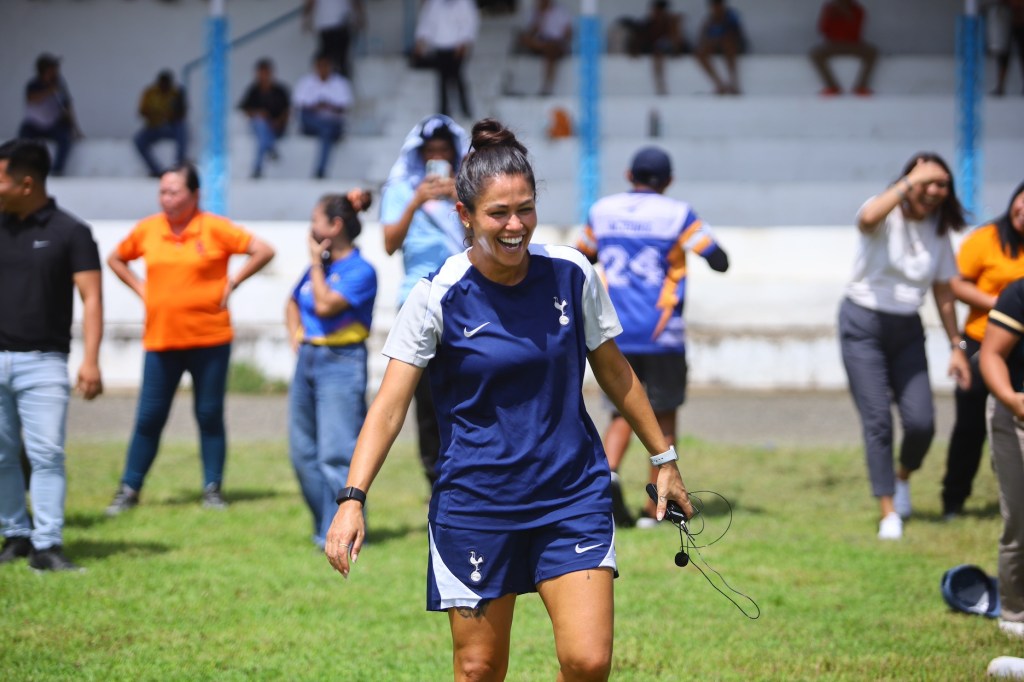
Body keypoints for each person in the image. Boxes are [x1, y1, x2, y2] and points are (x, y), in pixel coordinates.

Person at [324, 119, 694, 680]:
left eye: (526, 209)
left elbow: (617, 373)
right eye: (499, 213)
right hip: (476, 504)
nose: (516, 225)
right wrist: (353, 498)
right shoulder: (436, 294)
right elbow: (390, 406)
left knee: (588, 661)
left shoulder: (572, 274)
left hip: (570, 496)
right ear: (465, 215)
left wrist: (663, 459)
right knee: (478, 669)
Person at [104, 163, 275, 516]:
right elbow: (116, 258)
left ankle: (213, 488)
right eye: (162, 192)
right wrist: (141, 289)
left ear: (194, 195)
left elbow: (263, 250)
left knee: (209, 415)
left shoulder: (214, 228)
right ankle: (129, 488)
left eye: (174, 192)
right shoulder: (149, 229)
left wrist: (234, 281)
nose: (166, 198)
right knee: (149, 417)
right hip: (161, 340)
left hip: (210, 340)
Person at [577, 146, 728, 528]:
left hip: (614, 331)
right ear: (669, 181)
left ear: (629, 175)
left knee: (622, 411)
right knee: (663, 415)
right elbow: (718, 259)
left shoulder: (603, 211)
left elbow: (582, 256)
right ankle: (653, 508)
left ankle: (608, 476)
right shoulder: (677, 214)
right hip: (663, 333)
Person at [838, 152, 970, 541]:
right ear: (907, 182)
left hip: (907, 329)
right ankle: (888, 511)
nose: (933, 190)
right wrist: (910, 181)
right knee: (878, 421)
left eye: (941, 184)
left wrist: (957, 345)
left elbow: (943, 292)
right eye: (925, 181)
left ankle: (902, 477)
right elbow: (866, 219)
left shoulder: (939, 230)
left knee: (922, 423)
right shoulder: (883, 212)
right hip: (862, 324)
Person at [0, 139, 103, 571]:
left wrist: (91, 360)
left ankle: (47, 545)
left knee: (47, 456)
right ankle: (15, 536)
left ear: (26, 183)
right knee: (2, 456)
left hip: (43, 362)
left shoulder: (71, 232)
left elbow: (92, 298)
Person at [380, 114, 470, 489]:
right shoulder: (400, 188)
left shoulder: (467, 189)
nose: (436, 157)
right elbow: (390, 243)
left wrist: (458, 199)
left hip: (463, 293)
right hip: (416, 296)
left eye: (443, 151)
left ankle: (466, 468)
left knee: (467, 384)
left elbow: (480, 240)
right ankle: (435, 475)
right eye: (429, 151)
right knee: (425, 395)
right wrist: (416, 201)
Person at [286, 193, 377, 550]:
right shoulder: (318, 269)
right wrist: (296, 336)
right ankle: (325, 527)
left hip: (342, 362)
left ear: (335, 226)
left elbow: (324, 305)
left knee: (336, 454)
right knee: (302, 452)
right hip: (308, 359)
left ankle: (342, 533)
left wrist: (314, 261)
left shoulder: (360, 270)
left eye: (316, 220)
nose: (311, 228)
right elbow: (293, 300)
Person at [943, 181, 1024, 519]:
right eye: (1022, 202)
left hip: (1021, 349)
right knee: (970, 425)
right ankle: (953, 500)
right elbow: (955, 283)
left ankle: (1011, 500)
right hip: (980, 343)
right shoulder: (986, 239)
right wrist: (1001, 305)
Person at [978, 274, 1024, 641]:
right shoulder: (1019, 293)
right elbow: (991, 354)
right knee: (1020, 518)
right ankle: (1015, 610)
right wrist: (1012, 399)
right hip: (1016, 415)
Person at [412, 0, 479, 119]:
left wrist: (464, 42)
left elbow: (470, 22)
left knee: (457, 77)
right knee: (442, 78)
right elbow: (427, 22)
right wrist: (421, 40)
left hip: (457, 46)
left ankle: (465, 109)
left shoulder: (464, 3)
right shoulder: (434, 3)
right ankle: (443, 110)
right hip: (440, 46)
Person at [17, 53, 81, 177]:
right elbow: (31, 99)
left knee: (65, 139)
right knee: (22, 142)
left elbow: (67, 107)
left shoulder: (60, 85)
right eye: (53, 68)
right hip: (33, 125)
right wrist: (49, 91)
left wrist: (75, 129)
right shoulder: (34, 84)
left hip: (53, 125)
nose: (56, 71)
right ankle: (24, 170)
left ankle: (57, 170)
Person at [293, 52, 353, 179]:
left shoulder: (340, 83)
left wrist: (328, 105)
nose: (323, 68)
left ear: (331, 66)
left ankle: (320, 171)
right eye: (320, 65)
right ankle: (320, 170)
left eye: (325, 65)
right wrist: (317, 106)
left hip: (332, 122)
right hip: (312, 123)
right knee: (322, 126)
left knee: (327, 130)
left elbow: (344, 107)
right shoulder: (306, 82)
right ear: (315, 66)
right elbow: (300, 105)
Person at [808, 0, 878, 96]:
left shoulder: (857, 10)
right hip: (833, 44)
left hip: (853, 44)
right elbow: (823, 29)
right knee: (816, 53)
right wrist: (833, 16)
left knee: (872, 52)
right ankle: (832, 87)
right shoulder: (830, 9)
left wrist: (848, 15)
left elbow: (857, 29)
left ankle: (861, 87)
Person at [238, 58, 291, 180]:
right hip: (260, 128)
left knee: (262, 135)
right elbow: (244, 108)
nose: (263, 76)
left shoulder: (280, 91)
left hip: (276, 128)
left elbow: (287, 110)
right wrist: (259, 113)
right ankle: (270, 148)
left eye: (265, 73)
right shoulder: (253, 90)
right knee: (260, 124)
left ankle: (259, 167)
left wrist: (278, 121)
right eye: (261, 73)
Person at [625, 0, 690, 96]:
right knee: (657, 52)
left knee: (659, 53)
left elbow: (676, 39)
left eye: (657, 11)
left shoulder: (671, 22)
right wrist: (635, 49)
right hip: (654, 48)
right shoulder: (649, 22)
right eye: (654, 11)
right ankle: (660, 87)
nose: (654, 13)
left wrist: (676, 49)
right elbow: (640, 38)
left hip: (666, 48)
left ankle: (661, 87)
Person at [133, 70, 188, 177]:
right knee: (139, 140)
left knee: (182, 129)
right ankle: (156, 170)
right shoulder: (150, 93)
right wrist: (156, 115)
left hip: (170, 127)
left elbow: (182, 114)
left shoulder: (176, 93)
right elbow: (142, 111)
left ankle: (179, 166)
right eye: (163, 84)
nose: (165, 86)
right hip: (153, 127)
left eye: (167, 84)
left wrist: (178, 106)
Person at [517, 0, 574, 96]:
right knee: (523, 38)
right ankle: (543, 46)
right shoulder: (533, 13)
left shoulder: (561, 11)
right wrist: (539, 18)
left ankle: (547, 87)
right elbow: (529, 34)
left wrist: (561, 41)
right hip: (539, 43)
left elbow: (569, 34)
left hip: (556, 44)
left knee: (551, 49)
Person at [694, 0, 745, 95]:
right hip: (716, 46)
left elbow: (736, 35)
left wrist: (720, 39)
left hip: (731, 46)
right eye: (714, 6)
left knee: (728, 45)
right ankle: (720, 85)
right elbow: (703, 37)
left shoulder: (731, 17)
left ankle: (734, 83)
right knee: (700, 54)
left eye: (718, 6)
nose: (716, 9)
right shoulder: (710, 20)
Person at [302, 0, 365, 78]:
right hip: (332, 26)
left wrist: (306, 19)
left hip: (335, 25)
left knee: (336, 59)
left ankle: (339, 81)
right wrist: (360, 16)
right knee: (334, 59)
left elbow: (310, 3)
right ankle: (332, 79)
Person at [986, 0, 1024, 97]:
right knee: (1003, 56)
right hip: (1007, 21)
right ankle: (1000, 86)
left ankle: (1001, 86)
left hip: (1019, 22)